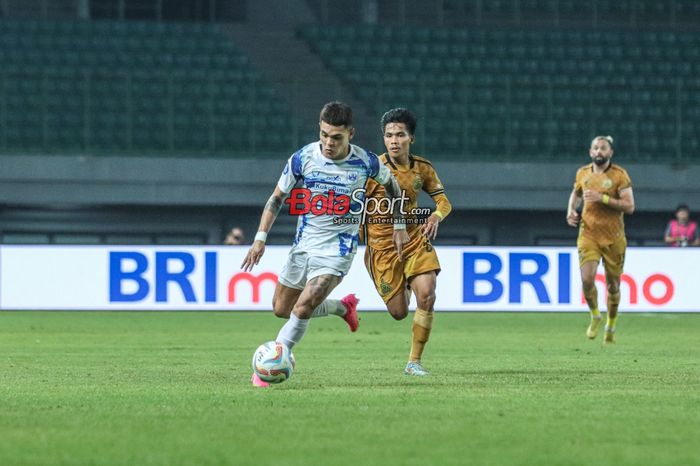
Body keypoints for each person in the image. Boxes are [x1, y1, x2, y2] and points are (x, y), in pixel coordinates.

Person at [241, 101, 409, 387]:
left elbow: (394, 188)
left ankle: (268, 367)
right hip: (304, 246)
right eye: (324, 135)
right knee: (283, 309)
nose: (328, 143)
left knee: (304, 307)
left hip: (338, 251)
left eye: (336, 137)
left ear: (350, 134)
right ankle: (342, 308)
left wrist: (399, 224)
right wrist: (260, 238)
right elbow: (277, 198)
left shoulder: (366, 162)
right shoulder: (303, 157)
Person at [361, 108, 452, 376]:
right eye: (389, 135)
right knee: (399, 312)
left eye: (400, 135)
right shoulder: (373, 169)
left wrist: (435, 216)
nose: (393, 140)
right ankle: (405, 284)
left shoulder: (422, 168)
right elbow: (356, 206)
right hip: (382, 247)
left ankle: (414, 362)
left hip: (414, 238)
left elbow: (444, 201)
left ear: (410, 138)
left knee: (427, 294)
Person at [566, 135, 635, 344]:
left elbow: (630, 206)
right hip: (589, 234)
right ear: (590, 152)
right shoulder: (582, 173)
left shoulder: (619, 176)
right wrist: (570, 210)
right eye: (595, 148)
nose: (599, 152)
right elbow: (576, 193)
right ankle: (595, 315)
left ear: (610, 153)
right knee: (587, 279)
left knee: (613, 286)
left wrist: (602, 198)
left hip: (614, 237)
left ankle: (611, 325)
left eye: (603, 148)